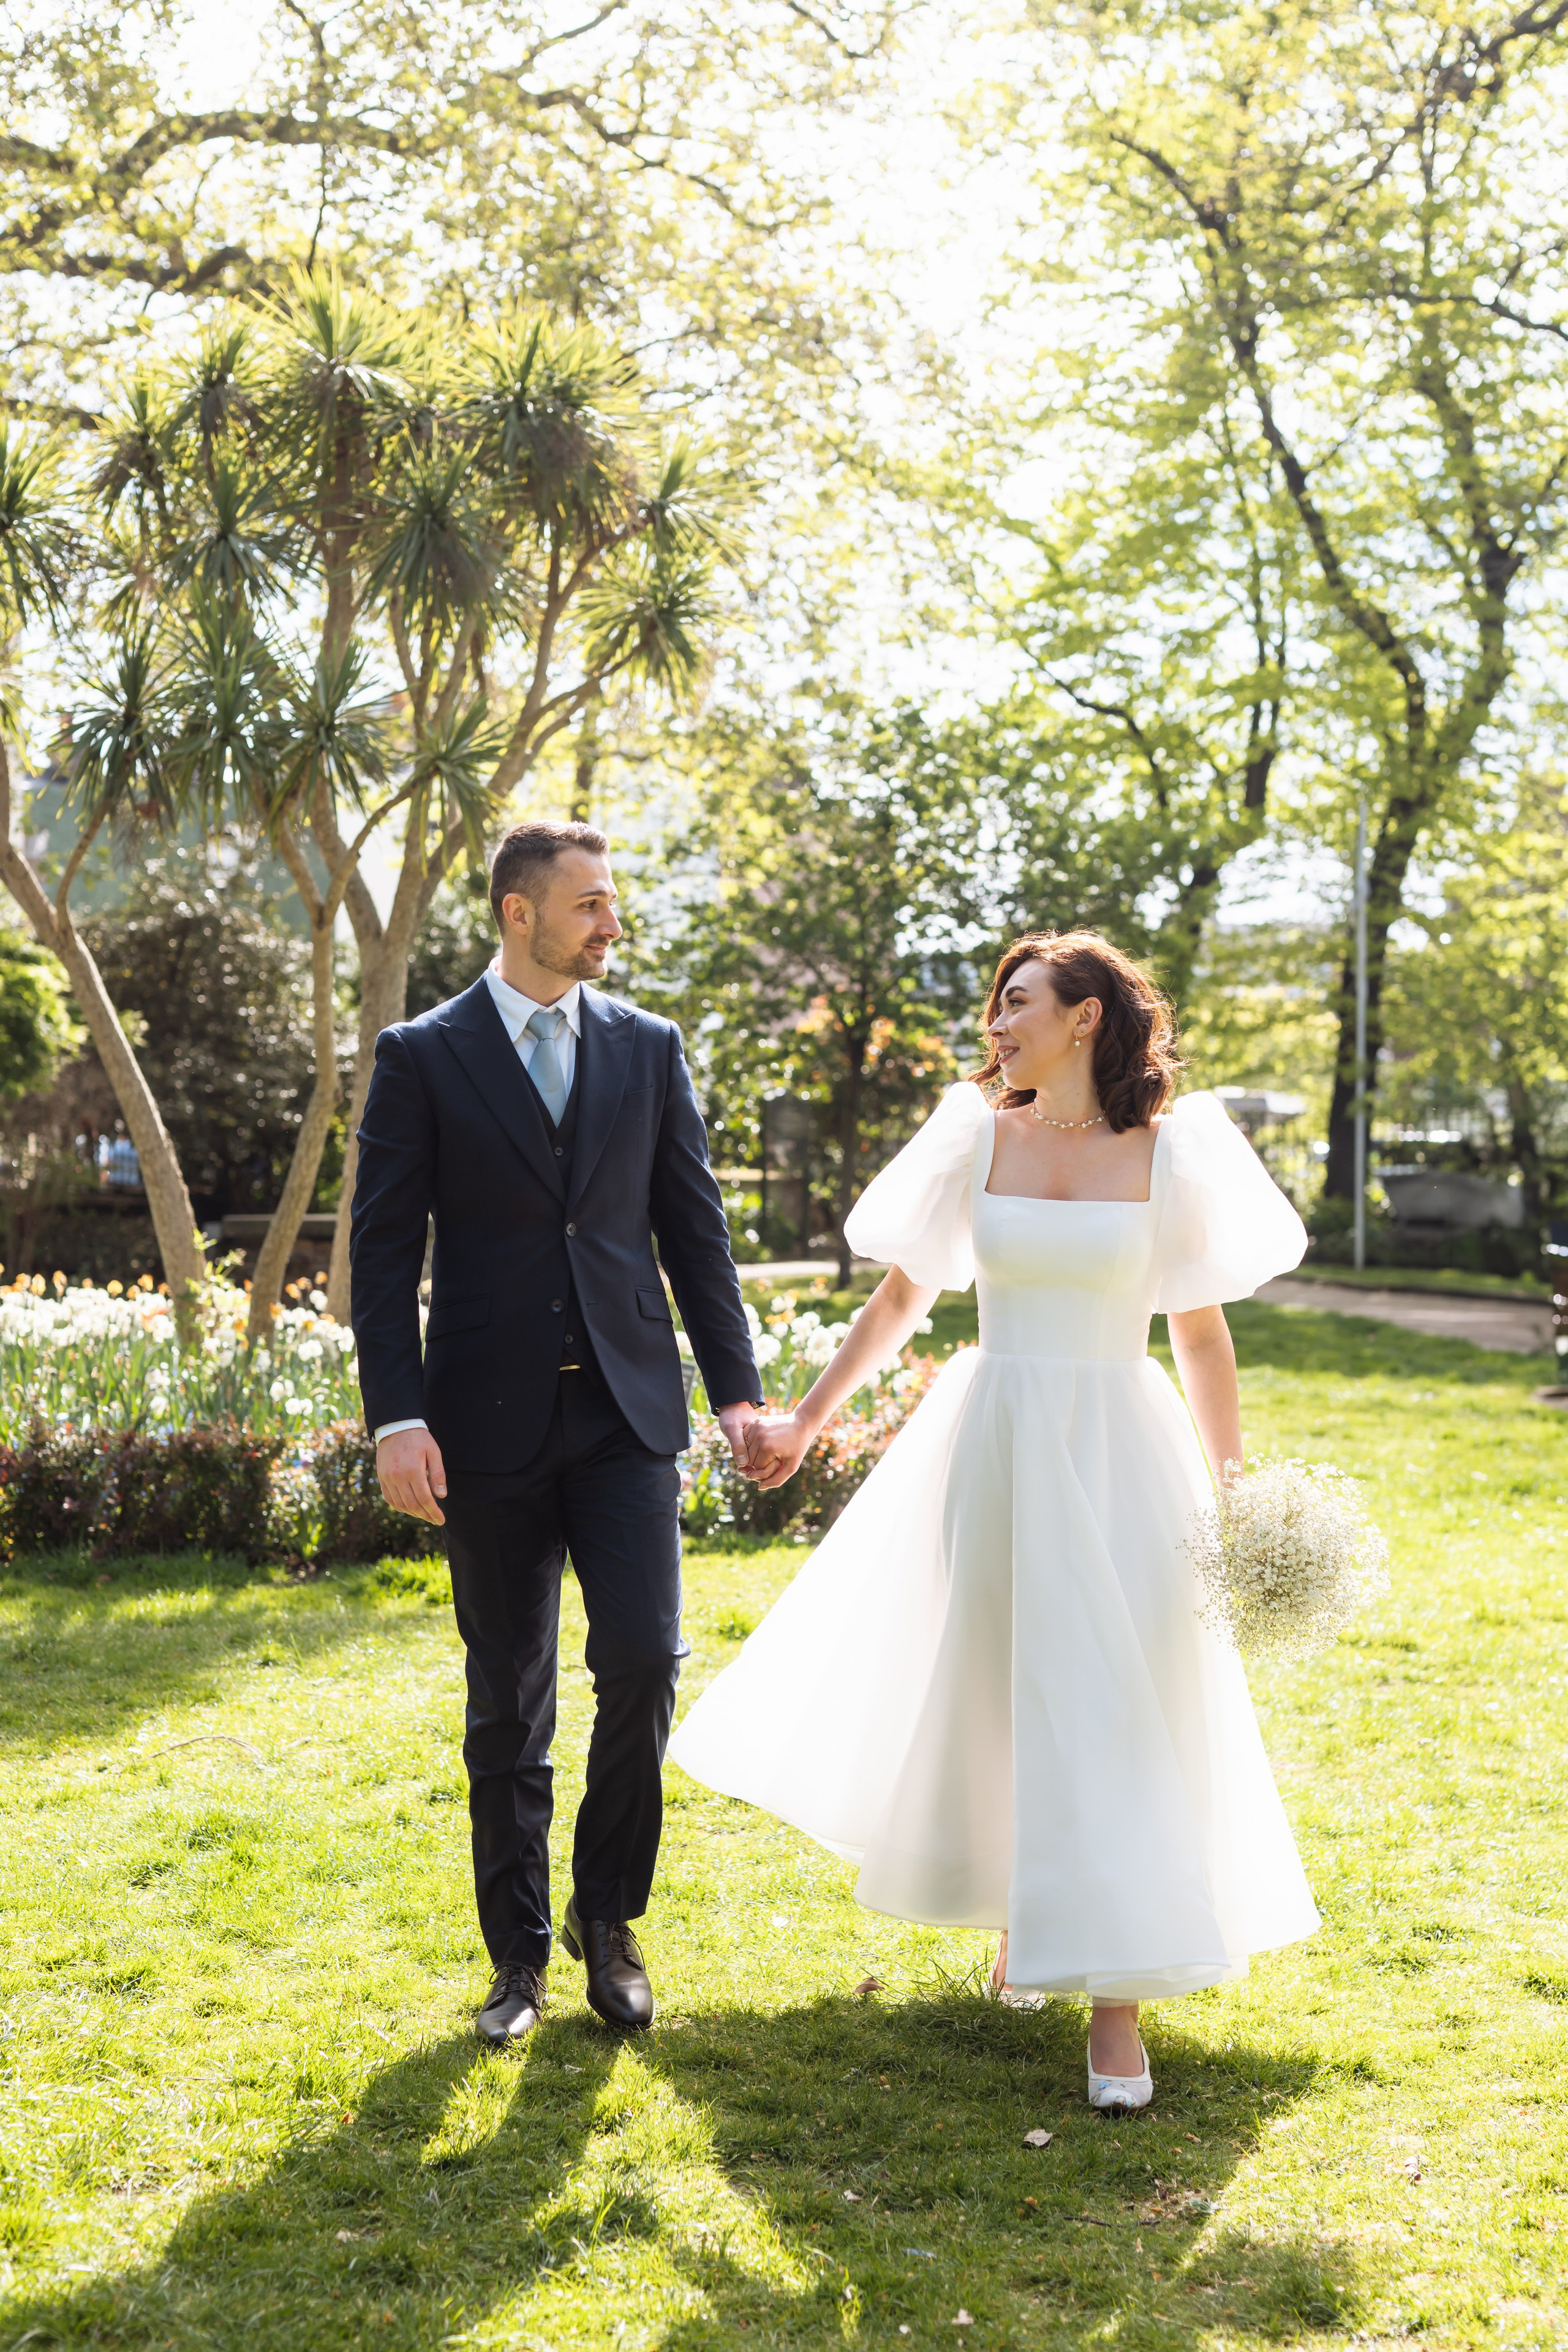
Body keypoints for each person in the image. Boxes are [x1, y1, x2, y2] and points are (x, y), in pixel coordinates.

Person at [671, 929, 1319, 2112]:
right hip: (998, 1438)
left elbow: (1202, 1335)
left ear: (1087, 1017)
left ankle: (1114, 2003)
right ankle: (1039, 1910)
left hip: (1122, 1446)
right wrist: (808, 1422)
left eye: (1019, 1003)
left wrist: (1240, 1500)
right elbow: (903, 1296)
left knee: (1117, 1700)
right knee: (1009, 1685)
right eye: (994, 1006)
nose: (997, 1025)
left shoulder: (1173, 1154)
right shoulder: (977, 1135)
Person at [351, 819, 761, 2046]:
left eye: (612, 901)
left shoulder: (648, 1049)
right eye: (588, 903)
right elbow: (380, 1249)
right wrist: (398, 1416)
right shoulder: (422, 1055)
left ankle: (610, 1922)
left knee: (641, 1661)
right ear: (517, 914)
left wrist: (734, 1389)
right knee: (507, 1695)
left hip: (628, 1413)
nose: (610, 922)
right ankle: (518, 1957)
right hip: (480, 1420)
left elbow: (694, 1230)